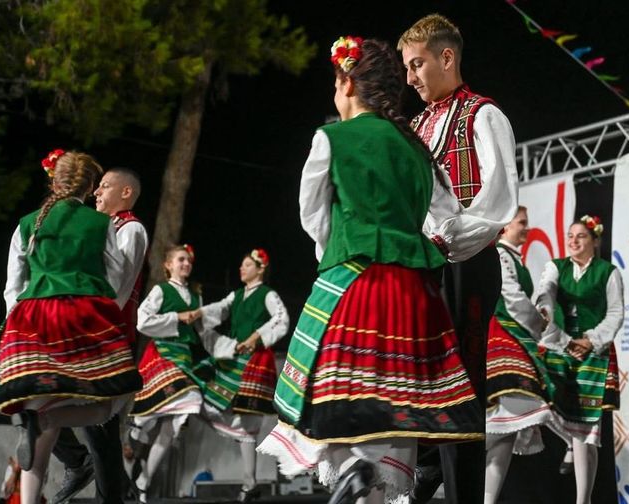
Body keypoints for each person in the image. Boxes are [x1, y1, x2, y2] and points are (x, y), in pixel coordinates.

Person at [258, 36, 486, 504]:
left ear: (345, 82)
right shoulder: (416, 148)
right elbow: (446, 218)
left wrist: (339, 250)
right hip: (417, 294)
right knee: (399, 409)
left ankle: (354, 471)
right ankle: (367, 479)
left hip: (355, 280)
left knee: (336, 402)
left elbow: (313, 217)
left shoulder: (332, 138)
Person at [398, 14, 519, 503]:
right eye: (407, 67)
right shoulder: (413, 125)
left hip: (465, 262)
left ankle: (460, 490)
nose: (410, 77)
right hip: (422, 264)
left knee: (460, 381)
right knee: (417, 372)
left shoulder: (483, 114)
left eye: (417, 64)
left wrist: (448, 240)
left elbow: (499, 197)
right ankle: (423, 469)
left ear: (447, 57)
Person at [0, 149, 141, 504]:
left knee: (36, 405)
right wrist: (103, 312)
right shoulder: (100, 223)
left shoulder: (29, 222)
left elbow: (13, 284)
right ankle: (47, 420)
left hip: (31, 319)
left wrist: (17, 320)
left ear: (54, 181)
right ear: (88, 187)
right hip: (83, 316)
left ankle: (29, 486)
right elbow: (117, 277)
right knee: (108, 404)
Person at [50, 167, 148, 504]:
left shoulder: (130, 228)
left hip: (108, 335)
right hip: (90, 331)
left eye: (105, 186)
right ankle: (96, 475)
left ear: (125, 193)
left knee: (99, 425)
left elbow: (118, 288)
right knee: (63, 406)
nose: (97, 192)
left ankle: (106, 487)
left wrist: (89, 322)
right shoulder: (104, 227)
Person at [484, 207, 573, 504]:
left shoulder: (513, 258)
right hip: (500, 335)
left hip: (515, 335)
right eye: (521, 222)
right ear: (505, 225)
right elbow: (511, 297)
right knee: (513, 410)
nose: (526, 228)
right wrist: (538, 322)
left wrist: (542, 313)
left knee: (507, 426)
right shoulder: (498, 254)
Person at [534, 215, 624, 504]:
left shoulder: (608, 272)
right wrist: (557, 332)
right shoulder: (555, 267)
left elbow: (615, 313)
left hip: (592, 352)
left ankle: (582, 501)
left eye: (581, 236)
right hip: (561, 345)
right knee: (538, 404)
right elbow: (545, 292)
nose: (573, 240)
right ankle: (568, 443)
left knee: (586, 430)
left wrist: (591, 340)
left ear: (595, 241)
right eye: (570, 235)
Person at [198, 248, 289, 501]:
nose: (241, 268)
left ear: (260, 269)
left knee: (248, 423)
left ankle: (249, 484)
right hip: (235, 358)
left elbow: (282, 319)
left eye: (247, 265)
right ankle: (250, 483)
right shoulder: (236, 295)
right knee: (205, 402)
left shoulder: (267, 294)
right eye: (242, 264)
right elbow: (219, 309)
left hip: (256, 360)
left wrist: (257, 336)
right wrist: (198, 314)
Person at [129, 244, 211, 503]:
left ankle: (143, 482)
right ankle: (136, 435)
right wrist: (176, 317)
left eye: (188, 260)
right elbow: (142, 321)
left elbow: (201, 332)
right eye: (181, 259)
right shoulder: (161, 290)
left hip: (184, 358)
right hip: (162, 355)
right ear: (168, 265)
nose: (186, 264)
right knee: (150, 418)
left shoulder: (195, 295)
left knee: (174, 422)